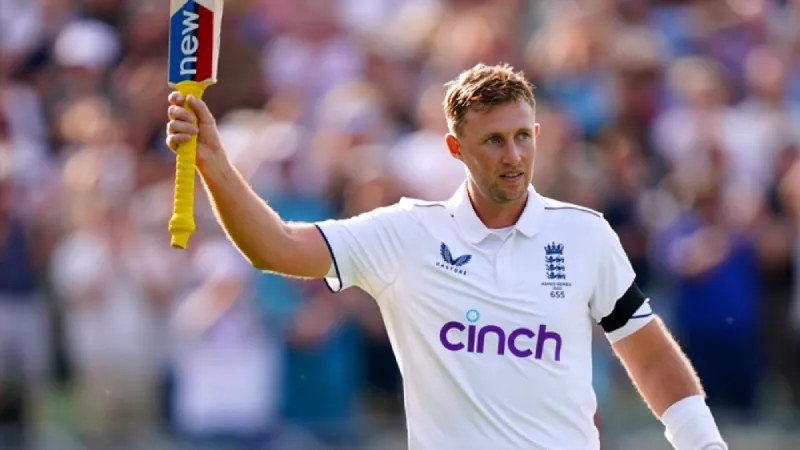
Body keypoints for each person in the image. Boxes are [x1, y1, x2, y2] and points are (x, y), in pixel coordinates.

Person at [164, 63, 727, 450]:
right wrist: (215, 161)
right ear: (455, 148)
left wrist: (704, 443)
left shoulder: (586, 236)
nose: (514, 156)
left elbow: (649, 356)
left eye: (523, 136)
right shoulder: (406, 234)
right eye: (493, 141)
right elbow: (276, 247)